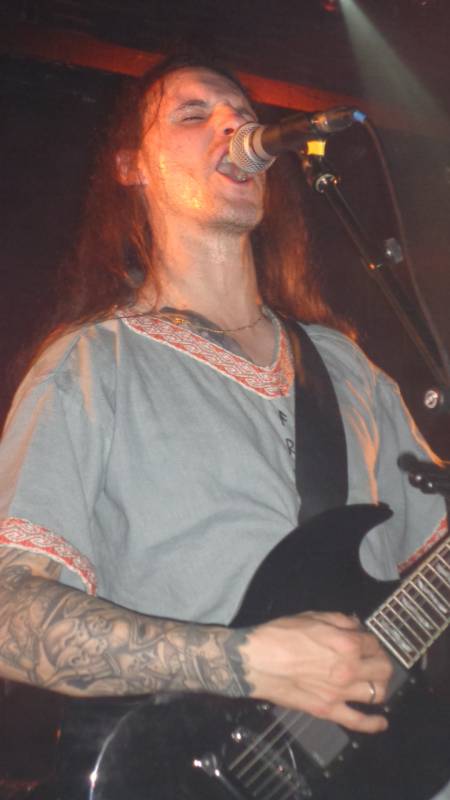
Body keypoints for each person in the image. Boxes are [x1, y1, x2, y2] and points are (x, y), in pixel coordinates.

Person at [0, 53, 447, 799]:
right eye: (193, 114)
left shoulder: (346, 365)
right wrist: (245, 662)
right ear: (131, 167)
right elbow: (9, 615)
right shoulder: (91, 365)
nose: (234, 125)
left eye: (242, 112)